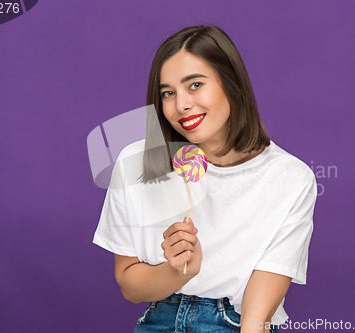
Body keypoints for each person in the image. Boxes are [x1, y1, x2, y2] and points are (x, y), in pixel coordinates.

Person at [93, 25, 317, 332]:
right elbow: (130, 286)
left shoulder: (291, 177)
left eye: (195, 85)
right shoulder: (135, 164)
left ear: (231, 83)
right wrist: (179, 272)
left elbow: (257, 314)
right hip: (159, 321)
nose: (181, 105)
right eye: (168, 93)